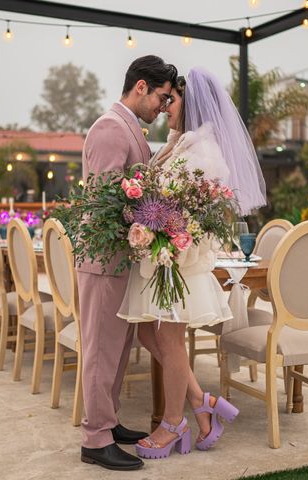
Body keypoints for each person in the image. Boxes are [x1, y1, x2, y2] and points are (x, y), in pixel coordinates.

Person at [117, 68, 267, 459]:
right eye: (165, 100)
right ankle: (204, 404)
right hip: (163, 259)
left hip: (180, 262)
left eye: (172, 101)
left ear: (192, 104)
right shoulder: (178, 143)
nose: (166, 107)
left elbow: (194, 213)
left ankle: (172, 424)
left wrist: (159, 226)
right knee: (150, 337)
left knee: (166, 339)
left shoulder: (205, 152)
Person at [77, 55, 178, 471]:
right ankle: (95, 439)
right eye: (161, 96)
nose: (163, 106)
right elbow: (105, 199)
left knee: (117, 349)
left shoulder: (129, 128)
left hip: (121, 260)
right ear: (141, 86)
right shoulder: (109, 128)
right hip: (103, 260)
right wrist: (150, 220)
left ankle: (109, 421)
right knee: (101, 351)